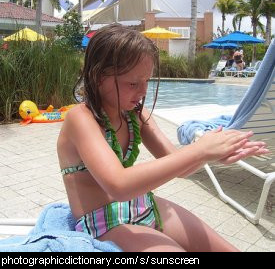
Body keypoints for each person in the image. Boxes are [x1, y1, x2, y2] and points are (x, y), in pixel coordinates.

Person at [57, 24, 269, 252]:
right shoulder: (81, 118)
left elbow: (181, 167)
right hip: (104, 224)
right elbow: (118, 185)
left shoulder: (135, 116)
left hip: (143, 205)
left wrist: (214, 154)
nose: (143, 91)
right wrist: (200, 150)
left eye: (147, 81)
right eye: (133, 83)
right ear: (98, 76)